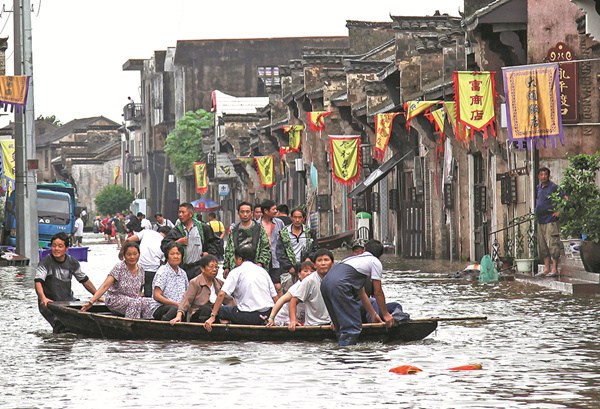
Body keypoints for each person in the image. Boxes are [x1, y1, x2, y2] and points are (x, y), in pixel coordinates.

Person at [320, 240, 394, 346]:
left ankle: (337, 354)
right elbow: (378, 292)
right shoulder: (374, 262)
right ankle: (347, 357)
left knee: (339, 327)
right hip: (339, 286)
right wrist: (386, 314)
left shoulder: (351, 260)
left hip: (325, 285)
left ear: (364, 250)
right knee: (352, 328)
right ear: (379, 256)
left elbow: (361, 293)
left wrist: (373, 314)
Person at [35, 232, 98, 333]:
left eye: (60, 246)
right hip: (50, 302)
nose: (56, 249)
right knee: (61, 327)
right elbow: (38, 282)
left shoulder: (72, 262)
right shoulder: (45, 262)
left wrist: (97, 296)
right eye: (54, 246)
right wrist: (43, 299)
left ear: (66, 248)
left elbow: (84, 280)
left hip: (67, 300)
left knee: (81, 320)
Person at [204, 245, 277, 331]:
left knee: (215, 310)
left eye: (235, 258)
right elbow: (275, 297)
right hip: (267, 314)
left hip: (248, 316)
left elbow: (221, 294)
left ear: (239, 259)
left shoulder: (236, 271)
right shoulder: (263, 271)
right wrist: (275, 317)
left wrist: (212, 317)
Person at [80, 241, 153, 319]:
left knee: (149, 301)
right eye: (129, 254)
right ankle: (130, 325)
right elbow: (105, 286)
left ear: (139, 254)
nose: (132, 257)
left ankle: (147, 323)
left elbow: (139, 291)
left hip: (132, 300)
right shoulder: (119, 267)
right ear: (124, 255)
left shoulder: (141, 269)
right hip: (115, 299)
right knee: (134, 303)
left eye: (135, 254)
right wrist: (91, 302)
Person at [170, 255, 235, 324]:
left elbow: (229, 300)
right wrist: (179, 316)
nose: (215, 269)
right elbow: (186, 300)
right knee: (206, 310)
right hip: (198, 315)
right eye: (211, 267)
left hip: (214, 315)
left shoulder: (219, 283)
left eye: (216, 267)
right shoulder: (195, 282)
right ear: (203, 269)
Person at [161, 202, 218, 280]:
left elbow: (214, 243)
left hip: (199, 268)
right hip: (182, 268)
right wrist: (178, 242)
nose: (180, 215)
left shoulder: (203, 228)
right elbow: (164, 246)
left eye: (183, 212)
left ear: (190, 214)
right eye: (179, 212)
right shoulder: (176, 230)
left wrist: (208, 253)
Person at [286, 249, 333, 331]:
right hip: (313, 325)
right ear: (315, 265)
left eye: (326, 260)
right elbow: (293, 301)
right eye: (319, 260)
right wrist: (293, 321)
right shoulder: (309, 281)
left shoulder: (336, 279)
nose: (323, 263)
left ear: (332, 264)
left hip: (332, 324)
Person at [223, 201, 270, 279]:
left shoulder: (259, 229)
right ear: (238, 214)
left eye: (247, 212)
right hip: (237, 268)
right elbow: (229, 249)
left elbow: (265, 248)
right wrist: (226, 266)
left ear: (251, 213)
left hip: (255, 268)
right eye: (242, 212)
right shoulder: (234, 230)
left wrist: (261, 263)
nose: (245, 214)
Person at [276, 208, 318, 293]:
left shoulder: (309, 232)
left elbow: (315, 248)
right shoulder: (284, 233)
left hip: (305, 267)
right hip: (289, 270)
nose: (297, 220)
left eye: (299, 217)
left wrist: (309, 258)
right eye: (295, 217)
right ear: (291, 218)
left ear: (303, 218)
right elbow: (280, 253)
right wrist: (289, 267)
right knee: (289, 293)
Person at [535, 167, 566, 278]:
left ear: (548, 176)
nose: (543, 176)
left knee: (553, 244)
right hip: (540, 221)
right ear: (539, 176)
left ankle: (554, 269)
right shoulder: (538, 188)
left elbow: (565, 198)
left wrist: (560, 211)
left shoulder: (554, 187)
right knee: (543, 246)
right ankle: (546, 269)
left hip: (551, 221)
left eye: (545, 174)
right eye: (541, 174)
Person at [266, 260, 314, 327]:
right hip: (285, 319)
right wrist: (271, 318)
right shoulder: (297, 287)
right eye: (305, 271)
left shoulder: (316, 285)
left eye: (312, 271)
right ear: (299, 274)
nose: (309, 273)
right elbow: (281, 300)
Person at [127, 225, 171, 297]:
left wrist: (122, 253)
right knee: (149, 294)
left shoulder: (146, 232)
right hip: (152, 271)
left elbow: (128, 240)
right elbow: (162, 262)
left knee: (135, 293)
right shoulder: (165, 244)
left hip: (139, 268)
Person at [150, 242, 189, 321]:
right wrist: (176, 304)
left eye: (178, 254)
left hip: (179, 308)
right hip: (161, 307)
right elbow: (156, 295)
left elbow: (187, 294)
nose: (175, 256)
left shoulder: (183, 273)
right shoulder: (163, 271)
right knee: (174, 310)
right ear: (167, 256)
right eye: (172, 254)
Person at [259, 199, 286, 295]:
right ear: (266, 211)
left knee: (278, 286)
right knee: (262, 286)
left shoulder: (279, 223)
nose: (276, 211)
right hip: (261, 260)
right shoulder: (257, 225)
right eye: (273, 209)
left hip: (276, 258)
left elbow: (285, 241)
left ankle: (279, 308)